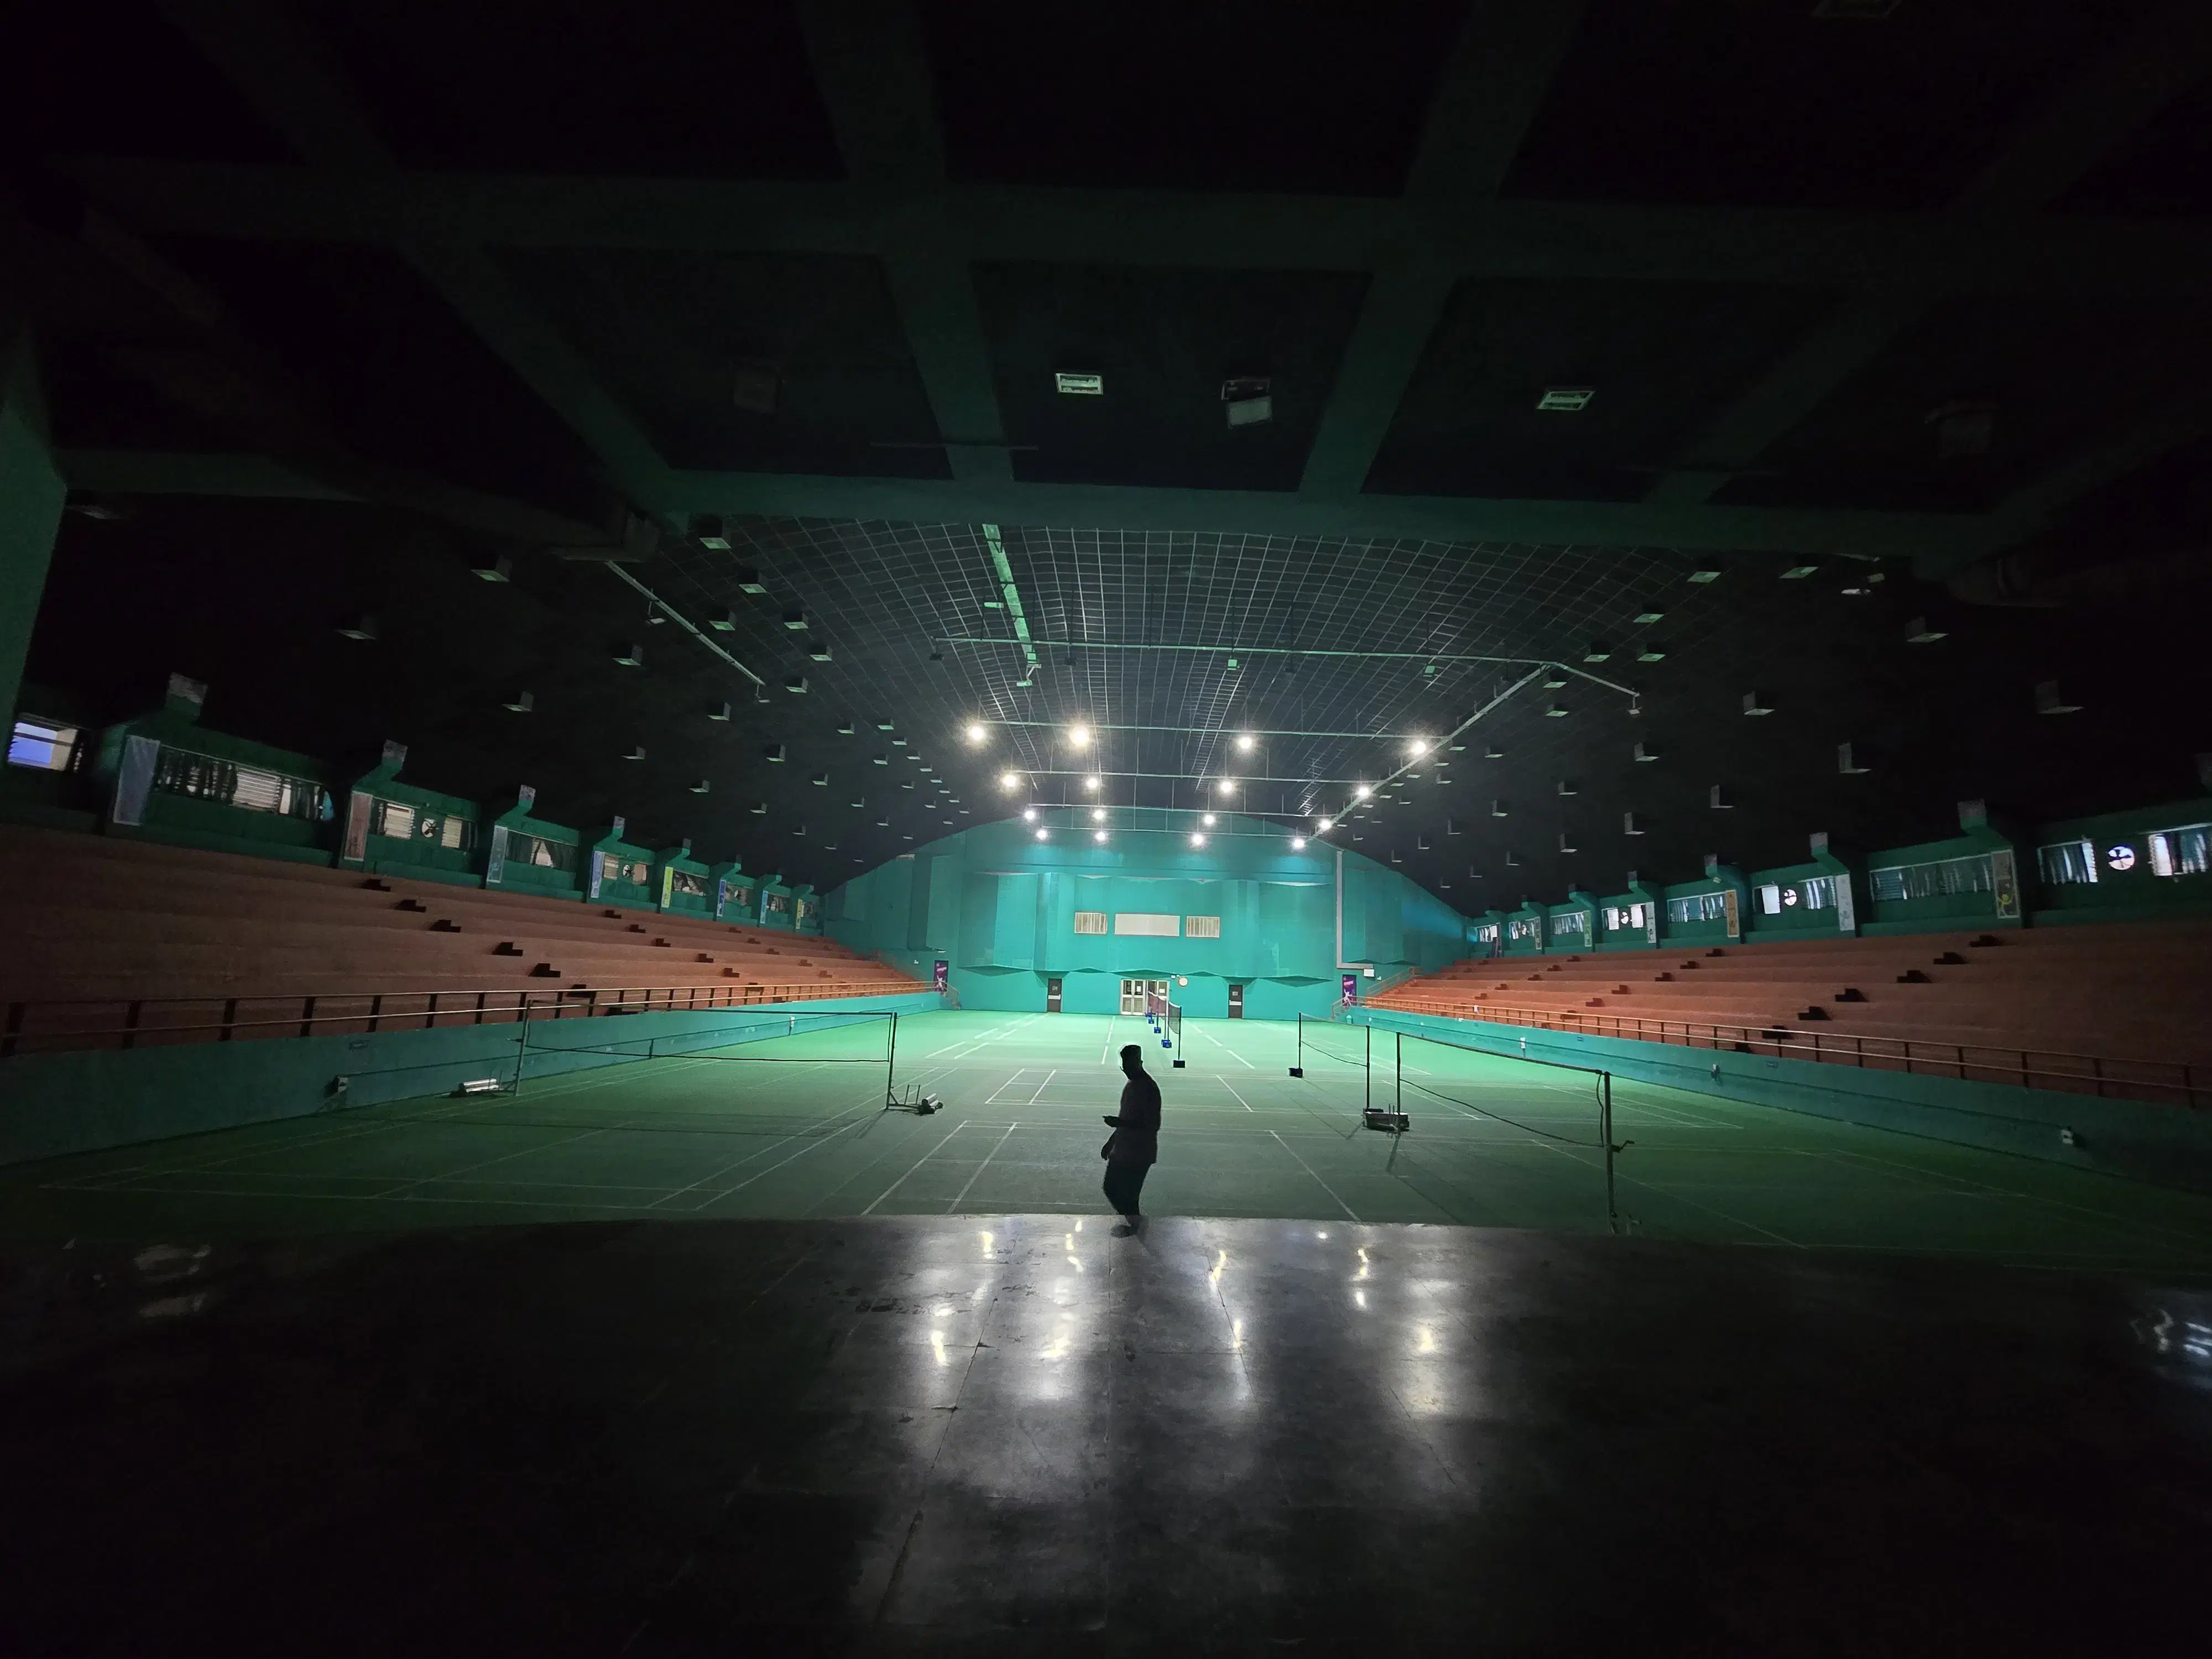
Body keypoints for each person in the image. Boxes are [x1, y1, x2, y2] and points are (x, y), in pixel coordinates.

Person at [1101, 1042, 1162, 1236]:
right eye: (1124, 1066)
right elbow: (1126, 1118)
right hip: (1122, 1150)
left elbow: (1152, 1125)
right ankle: (1136, 1225)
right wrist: (1111, 1142)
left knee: (1130, 1195)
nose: (1126, 1070)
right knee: (1111, 1188)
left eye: (1128, 1065)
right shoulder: (1131, 1086)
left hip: (1140, 1152)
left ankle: (1137, 1229)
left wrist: (1119, 1123)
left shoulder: (1149, 1089)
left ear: (1138, 1062)